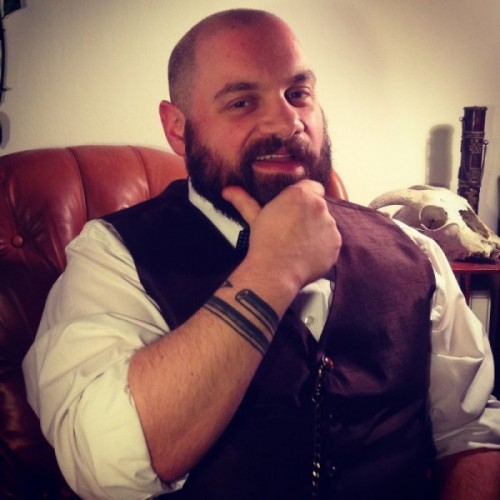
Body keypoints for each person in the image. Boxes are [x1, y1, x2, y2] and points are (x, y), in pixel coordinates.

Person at [22, 8, 500, 500]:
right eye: (242, 102)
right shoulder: (112, 257)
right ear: (178, 128)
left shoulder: (415, 253)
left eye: (298, 94)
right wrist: (272, 270)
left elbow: (471, 434)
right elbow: (104, 469)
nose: (287, 121)